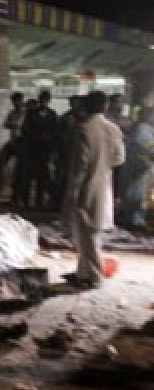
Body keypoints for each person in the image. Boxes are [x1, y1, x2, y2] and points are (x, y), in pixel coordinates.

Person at [62, 90, 125, 289]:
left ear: (86, 106)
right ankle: (83, 272)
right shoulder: (113, 128)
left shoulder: (84, 129)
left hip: (85, 187)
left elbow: (80, 163)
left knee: (86, 235)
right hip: (104, 184)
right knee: (89, 232)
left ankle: (95, 276)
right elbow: (119, 159)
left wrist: (72, 191)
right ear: (105, 107)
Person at [15, 90, 59, 209]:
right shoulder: (32, 113)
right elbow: (25, 129)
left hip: (44, 150)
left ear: (49, 100)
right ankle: (26, 201)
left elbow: (55, 132)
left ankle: (39, 202)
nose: (44, 101)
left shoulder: (52, 114)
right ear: (40, 100)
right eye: (42, 99)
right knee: (28, 177)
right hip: (32, 149)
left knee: (41, 178)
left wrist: (50, 142)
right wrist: (36, 135)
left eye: (46, 99)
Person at [117, 105, 154, 228]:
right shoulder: (143, 130)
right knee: (135, 200)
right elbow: (146, 150)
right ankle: (133, 223)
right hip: (138, 171)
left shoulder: (142, 129)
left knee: (137, 199)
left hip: (139, 171)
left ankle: (134, 221)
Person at [0, 91, 25, 193]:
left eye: (17, 101)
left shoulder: (26, 112)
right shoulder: (12, 112)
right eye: (13, 101)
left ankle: (17, 191)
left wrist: (17, 125)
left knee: (19, 169)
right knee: (0, 162)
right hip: (12, 142)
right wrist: (13, 125)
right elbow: (6, 124)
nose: (15, 103)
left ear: (21, 100)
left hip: (22, 143)